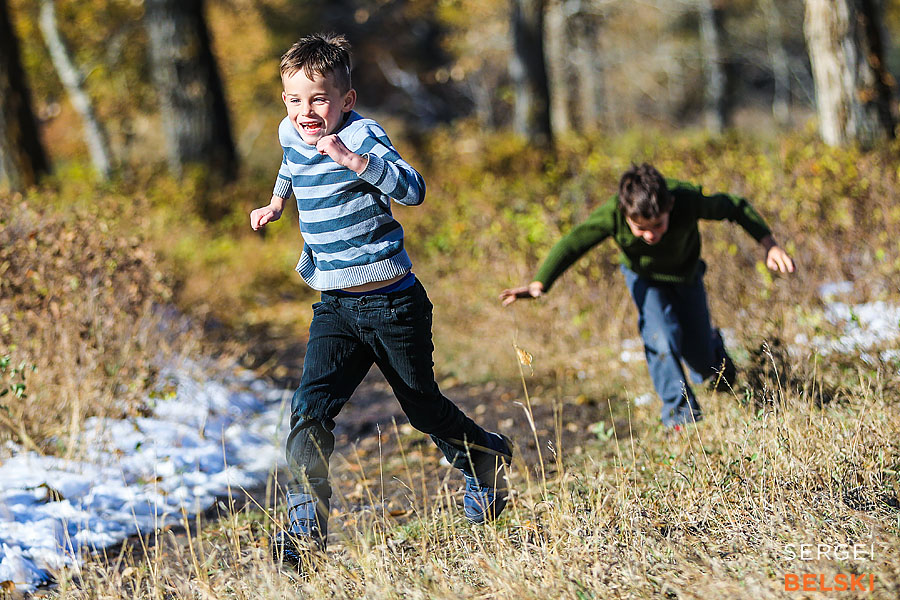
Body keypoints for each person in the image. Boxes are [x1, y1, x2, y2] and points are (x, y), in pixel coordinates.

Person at [250, 33, 512, 568]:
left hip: (393, 305)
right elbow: (290, 165)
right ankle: (303, 526)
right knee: (308, 412)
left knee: (422, 408)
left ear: (346, 99)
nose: (307, 111)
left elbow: (412, 190)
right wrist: (277, 203)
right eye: (296, 100)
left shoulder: (364, 134)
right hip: (336, 309)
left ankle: (483, 457)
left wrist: (351, 159)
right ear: (284, 101)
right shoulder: (290, 132)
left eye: (320, 99)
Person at [500, 163, 795, 428]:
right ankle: (681, 418)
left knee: (703, 359)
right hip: (645, 280)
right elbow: (573, 243)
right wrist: (540, 283)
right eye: (641, 229)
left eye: (658, 226)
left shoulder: (687, 200)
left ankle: (717, 356)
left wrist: (769, 244)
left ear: (671, 206)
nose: (651, 236)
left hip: (687, 276)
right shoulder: (612, 214)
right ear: (626, 215)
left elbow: (735, 206)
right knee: (661, 338)